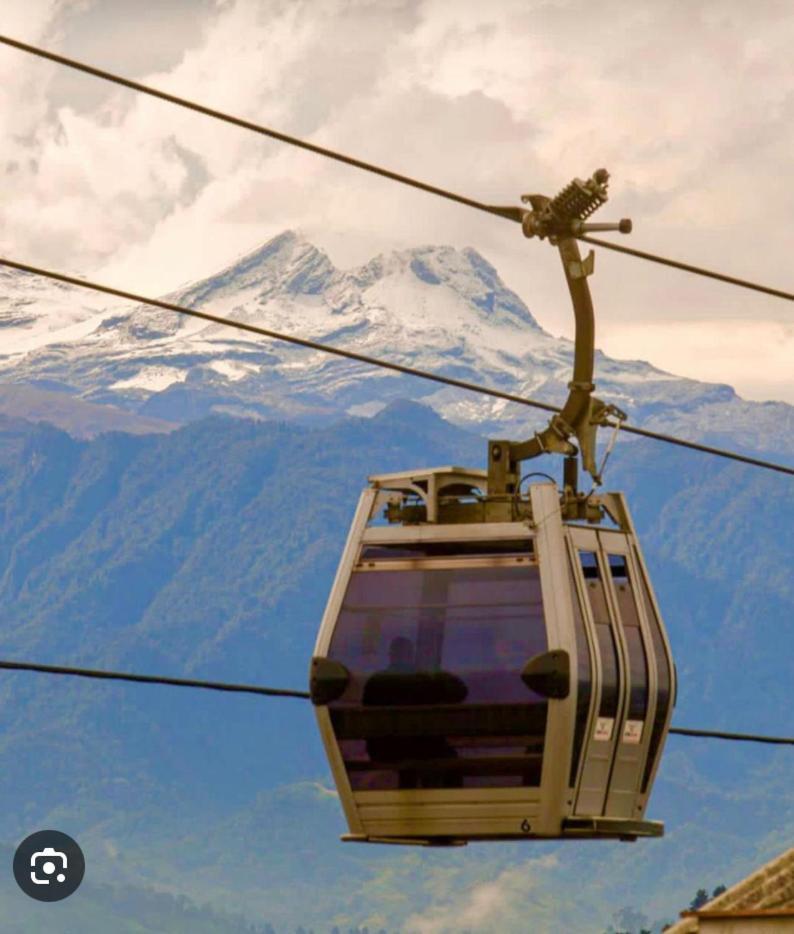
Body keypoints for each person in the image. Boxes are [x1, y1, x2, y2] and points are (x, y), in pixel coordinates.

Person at [362, 635, 467, 789]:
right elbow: (461, 692)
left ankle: (409, 786)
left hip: (384, 750)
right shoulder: (424, 681)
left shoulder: (375, 682)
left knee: (417, 752)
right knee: (448, 758)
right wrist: (438, 673)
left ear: (391, 656)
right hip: (422, 749)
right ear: (411, 656)